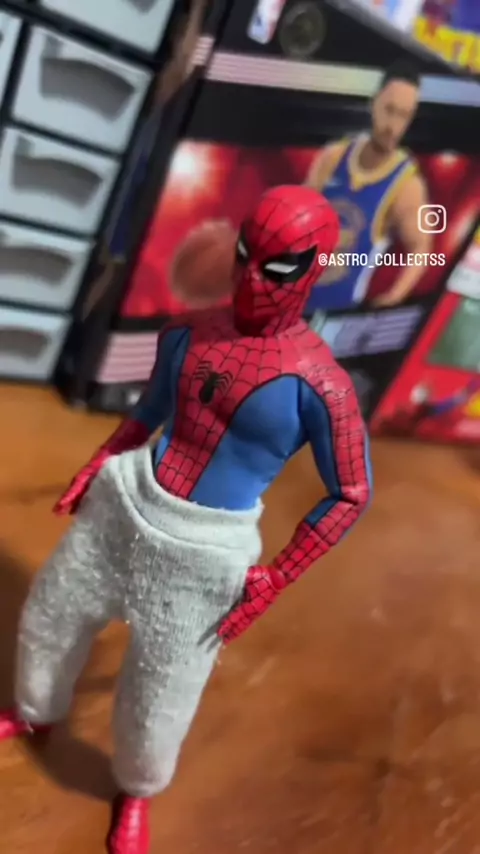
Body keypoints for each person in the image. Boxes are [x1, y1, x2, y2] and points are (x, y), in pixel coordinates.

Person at [0, 186, 372, 854]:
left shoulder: (323, 388)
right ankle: (36, 711)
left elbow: (350, 493)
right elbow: (147, 413)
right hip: (129, 501)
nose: (252, 281)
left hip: (206, 550)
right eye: (245, 257)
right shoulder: (189, 332)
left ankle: (137, 788)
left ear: (315, 270)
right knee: (52, 612)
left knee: (162, 688)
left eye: (277, 268)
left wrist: (276, 576)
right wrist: (98, 462)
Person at [305, 60, 432, 313]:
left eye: (404, 115)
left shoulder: (407, 185)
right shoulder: (334, 156)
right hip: (293, 299)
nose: (393, 125)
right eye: (389, 110)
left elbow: (422, 249)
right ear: (374, 103)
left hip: (335, 318)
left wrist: (393, 298)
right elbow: (294, 218)